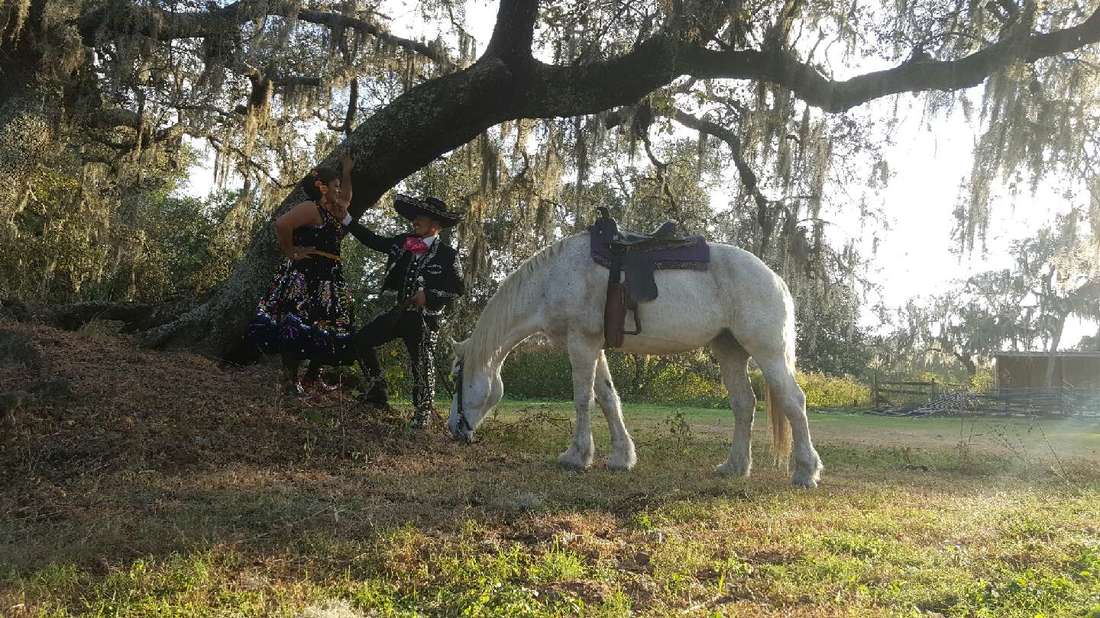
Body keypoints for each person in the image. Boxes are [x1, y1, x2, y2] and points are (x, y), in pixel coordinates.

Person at [340, 194, 465, 428]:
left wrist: (428, 296)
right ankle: (377, 389)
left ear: (435, 225)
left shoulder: (449, 256)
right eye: (414, 217)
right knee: (361, 340)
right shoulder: (404, 242)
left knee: (421, 363)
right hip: (399, 313)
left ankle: (422, 413)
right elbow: (375, 241)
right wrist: (347, 219)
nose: (415, 221)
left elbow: (458, 291)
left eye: (421, 218)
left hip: (425, 320)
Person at [248, 152, 355, 396]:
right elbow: (282, 224)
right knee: (295, 324)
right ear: (323, 188)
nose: (340, 191)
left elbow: (348, 195)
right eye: (335, 186)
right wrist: (291, 251)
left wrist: (347, 173)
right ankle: (290, 380)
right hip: (306, 275)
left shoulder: (337, 210)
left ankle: (312, 377)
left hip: (330, 276)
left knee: (328, 325)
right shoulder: (311, 208)